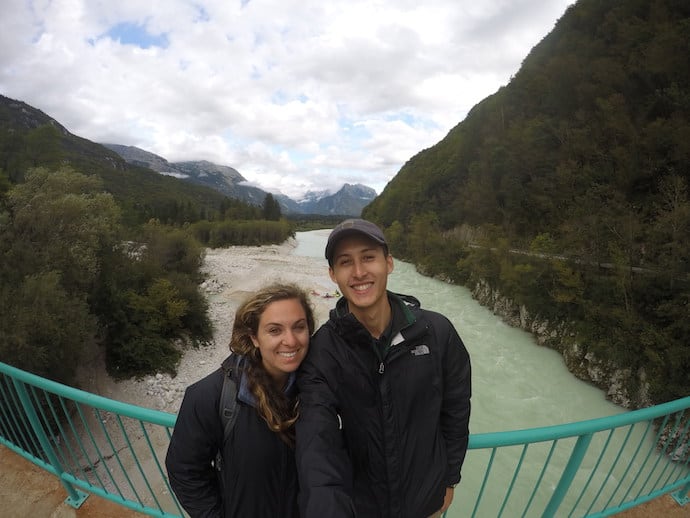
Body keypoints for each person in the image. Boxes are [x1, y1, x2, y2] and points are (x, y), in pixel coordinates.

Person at [296, 219, 472, 518]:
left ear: (389, 263)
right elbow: (316, 438)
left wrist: (450, 478)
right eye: (345, 262)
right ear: (333, 275)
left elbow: (456, 410)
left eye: (368, 257)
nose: (359, 272)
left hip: (426, 503)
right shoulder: (323, 351)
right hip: (360, 509)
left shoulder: (436, 332)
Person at [166, 283, 315, 518]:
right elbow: (184, 470)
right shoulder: (211, 396)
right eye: (275, 330)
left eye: (299, 327)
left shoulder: (318, 390)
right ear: (254, 337)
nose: (291, 340)